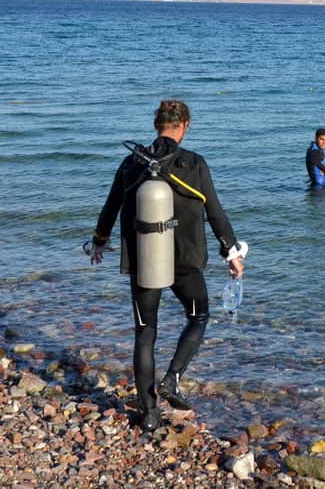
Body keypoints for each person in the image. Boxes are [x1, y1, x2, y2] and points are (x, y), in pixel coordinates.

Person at [87, 100, 246, 432]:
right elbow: (215, 212)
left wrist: (100, 241)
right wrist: (231, 253)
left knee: (145, 333)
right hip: (186, 262)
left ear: (155, 124)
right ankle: (172, 379)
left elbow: (110, 208)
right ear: (185, 125)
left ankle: (149, 413)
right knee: (198, 315)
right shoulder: (195, 164)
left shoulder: (132, 163)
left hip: (145, 261)